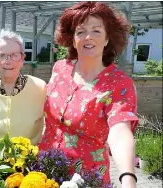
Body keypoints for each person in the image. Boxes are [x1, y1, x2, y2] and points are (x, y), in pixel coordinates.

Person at [39, 2, 138, 187]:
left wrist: (128, 178)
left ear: (108, 38)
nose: (88, 37)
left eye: (96, 31)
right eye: (81, 31)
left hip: (86, 179)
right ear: (73, 38)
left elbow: (119, 132)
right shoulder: (60, 68)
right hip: (45, 171)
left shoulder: (118, 83)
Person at [0, 29, 47, 154]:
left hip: (30, 163)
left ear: (22, 59)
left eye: (15, 55)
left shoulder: (40, 87)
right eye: (2, 55)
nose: (8, 61)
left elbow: (49, 128)